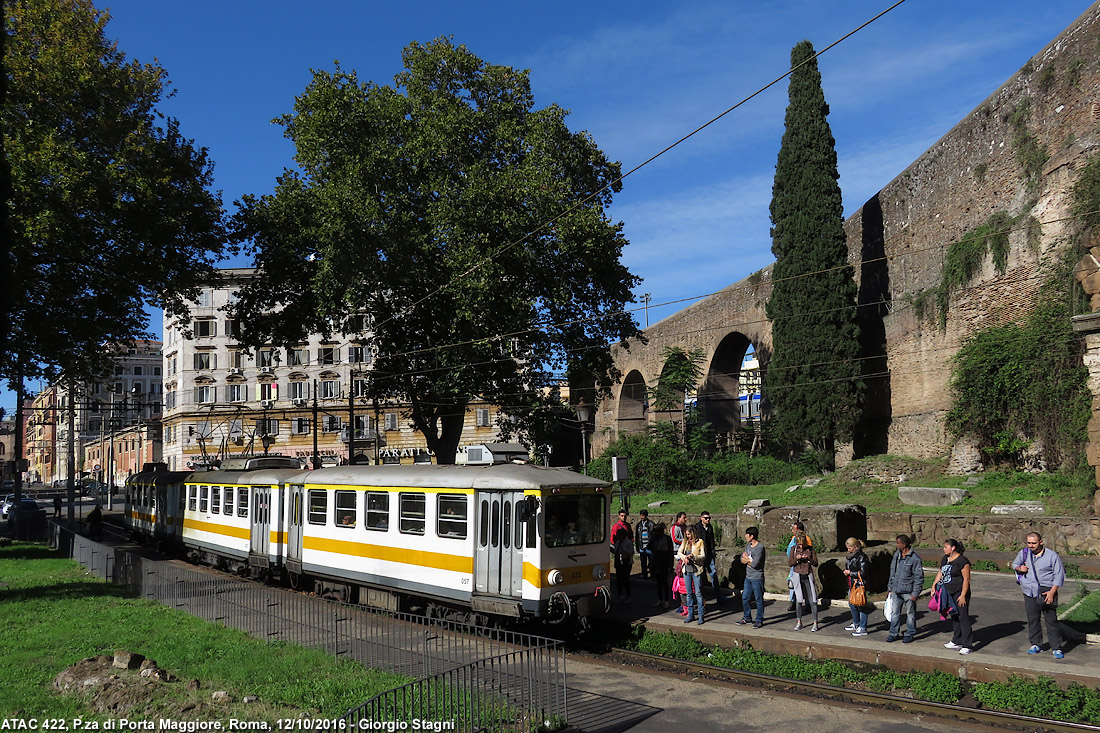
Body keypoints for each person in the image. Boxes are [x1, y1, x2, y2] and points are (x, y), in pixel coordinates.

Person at [1013, 531, 1067, 659]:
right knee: (1033, 618)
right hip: (1029, 590)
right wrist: (1020, 569)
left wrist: (1052, 592)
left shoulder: (1052, 556)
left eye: (1034, 543)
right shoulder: (1024, 553)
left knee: (1050, 619)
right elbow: (1015, 564)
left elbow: (1059, 575)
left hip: (1046, 590)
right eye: (1029, 543)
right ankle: (1036, 643)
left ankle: (1056, 647)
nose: (1031, 546)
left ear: (1041, 542)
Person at [933, 538, 973, 655]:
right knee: (954, 616)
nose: (943, 549)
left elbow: (967, 579)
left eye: (946, 547)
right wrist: (934, 585)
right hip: (947, 592)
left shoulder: (962, 561)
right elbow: (940, 572)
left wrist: (963, 595)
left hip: (959, 592)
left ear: (953, 548)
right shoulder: (945, 559)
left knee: (963, 617)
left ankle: (967, 644)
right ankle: (957, 640)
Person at [885, 534, 923, 643]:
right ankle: (893, 633)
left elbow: (918, 577)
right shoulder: (897, 556)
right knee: (894, 614)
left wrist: (915, 593)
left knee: (910, 614)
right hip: (896, 590)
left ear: (904, 544)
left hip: (909, 592)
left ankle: (910, 633)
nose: (897, 545)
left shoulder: (915, 559)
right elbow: (892, 572)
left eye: (898, 543)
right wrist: (890, 587)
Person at [788, 531, 819, 631]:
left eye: (802, 544)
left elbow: (815, 563)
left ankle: (815, 623)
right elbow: (790, 563)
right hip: (797, 574)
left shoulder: (810, 549)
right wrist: (797, 559)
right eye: (799, 544)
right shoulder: (794, 549)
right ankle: (799, 621)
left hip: (807, 574)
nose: (801, 546)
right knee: (799, 600)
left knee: (813, 599)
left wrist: (808, 558)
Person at [677, 525, 706, 625]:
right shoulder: (685, 542)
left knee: (698, 593)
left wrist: (693, 556)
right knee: (688, 593)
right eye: (686, 535)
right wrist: (684, 557)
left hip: (696, 570)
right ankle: (690, 614)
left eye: (689, 534)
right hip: (687, 570)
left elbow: (703, 556)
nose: (688, 536)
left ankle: (701, 615)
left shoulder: (700, 542)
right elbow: (679, 552)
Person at [737, 526, 766, 627]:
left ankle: (759, 619)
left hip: (757, 577)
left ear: (752, 536)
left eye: (747, 534)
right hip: (748, 577)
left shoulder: (760, 548)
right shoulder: (748, 546)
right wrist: (747, 560)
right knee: (745, 598)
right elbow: (741, 559)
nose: (745, 536)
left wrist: (747, 560)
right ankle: (747, 617)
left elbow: (755, 564)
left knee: (758, 599)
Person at [843, 537, 870, 637]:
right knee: (852, 604)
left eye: (849, 548)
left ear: (855, 547)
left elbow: (863, 572)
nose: (848, 549)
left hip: (859, 584)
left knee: (861, 604)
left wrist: (850, 573)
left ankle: (862, 627)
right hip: (852, 583)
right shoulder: (850, 556)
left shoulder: (862, 557)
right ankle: (856, 623)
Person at [786, 522, 812, 612]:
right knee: (792, 585)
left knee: (805, 585)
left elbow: (809, 552)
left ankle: (808, 603)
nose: (792, 531)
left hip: (803, 566)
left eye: (794, 529)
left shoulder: (807, 539)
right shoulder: (793, 538)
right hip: (794, 564)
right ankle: (793, 601)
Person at [698, 511, 724, 604]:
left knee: (714, 575)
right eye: (706, 518)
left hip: (709, 555)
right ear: (701, 518)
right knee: (700, 578)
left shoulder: (710, 527)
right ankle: (701, 600)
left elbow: (711, 541)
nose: (708, 520)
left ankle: (719, 596)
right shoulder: (697, 528)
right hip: (701, 556)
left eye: (709, 518)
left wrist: (713, 552)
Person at [650, 522, 674, 609]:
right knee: (658, 583)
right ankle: (660, 599)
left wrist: (670, 566)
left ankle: (666, 600)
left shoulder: (667, 539)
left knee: (665, 583)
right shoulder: (654, 539)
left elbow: (670, 553)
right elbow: (649, 547)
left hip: (665, 563)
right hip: (656, 563)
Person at [613, 528, 635, 603]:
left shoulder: (628, 542)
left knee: (626, 579)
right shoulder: (618, 542)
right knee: (619, 580)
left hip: (626, 563)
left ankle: (628, 596)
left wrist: (624, 548)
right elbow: (615, 550)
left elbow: (631, 552)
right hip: (619, 563)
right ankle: (620, 595)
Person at [635, 510, 654, 579]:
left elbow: (653, 535)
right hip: (642, 546)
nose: (642, 517)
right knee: (643, 562)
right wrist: (637, 545)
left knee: (651, 562)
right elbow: (637, 536)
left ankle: (652, 575)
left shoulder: (651, 524)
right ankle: (644, 575)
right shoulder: (639, 525)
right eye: (641, 515)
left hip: (649, 546)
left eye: (643, 515)